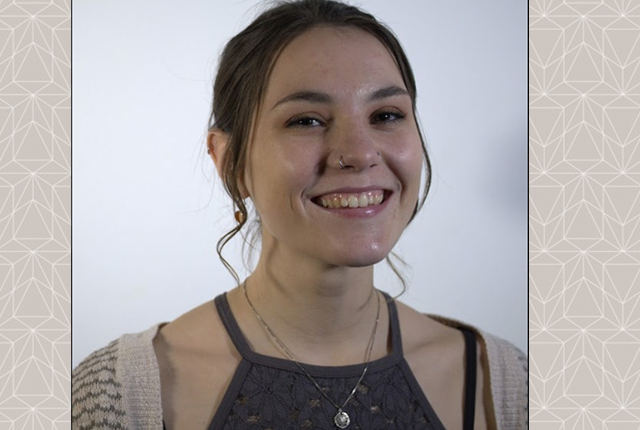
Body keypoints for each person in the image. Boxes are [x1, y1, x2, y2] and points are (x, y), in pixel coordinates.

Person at [71, 1, 527, 429]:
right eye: (306, 120)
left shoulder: (511, 386)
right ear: (228, 160)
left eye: (386, 115)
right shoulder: (117, 397)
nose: (359, 153)